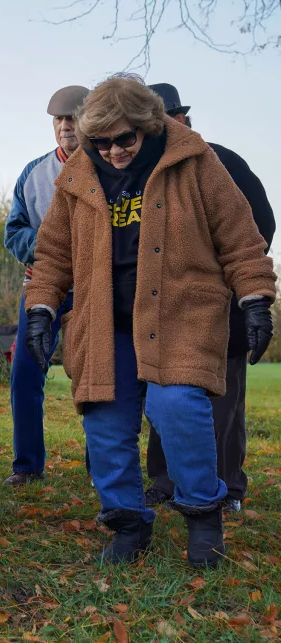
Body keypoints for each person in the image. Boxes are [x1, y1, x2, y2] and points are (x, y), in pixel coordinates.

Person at [25, 74, 276, 568]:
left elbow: (240, 237)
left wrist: (256, 300)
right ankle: (127, 522)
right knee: (104, 417)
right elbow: (53, 253)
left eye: (124, 139)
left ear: (149, 126)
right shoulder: (79, 174)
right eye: (101, 143)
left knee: (177, 406)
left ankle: (204, 516)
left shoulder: (194, 161)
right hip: (107, 321)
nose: (114, 152)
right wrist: (40, 310)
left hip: (180, 314)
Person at [143, 83, 276, 513]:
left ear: (180, 119)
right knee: (166, 399)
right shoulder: (145, 170)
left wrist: (224, 277)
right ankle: (165, 481)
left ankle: (228, 488)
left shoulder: (222, 161)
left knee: (223, 403)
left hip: (222, 306)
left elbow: (259, 226)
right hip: (164, 311)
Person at [1, 85, 89, 486]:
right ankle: (27, 466)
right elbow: (14, 231)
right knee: (24, 373)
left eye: (73, 118)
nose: (66, 126)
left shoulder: (109, 168)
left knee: (93, 377)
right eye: (60, 120)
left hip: (91, 289)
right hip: (40, 288)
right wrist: (48, 248)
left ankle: (101, 467)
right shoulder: (33, 173)